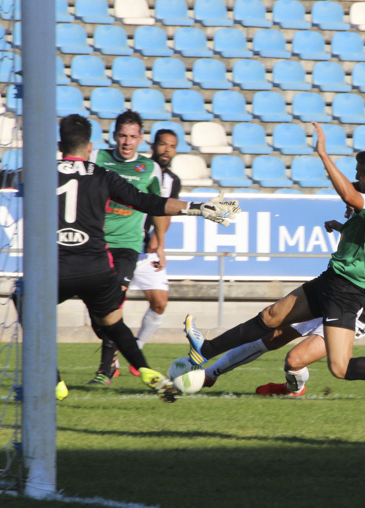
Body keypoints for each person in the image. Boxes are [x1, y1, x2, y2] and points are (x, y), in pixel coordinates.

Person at [182, 122, 365, 402]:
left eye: (360, 176)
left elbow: (351, 196)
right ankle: (205, 349)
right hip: (331, 280)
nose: (356, 180)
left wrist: (323, 154)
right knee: (271, 317)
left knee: (341, 367)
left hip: (349, 293)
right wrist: (343, 224)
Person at [55, 114, 240, 402]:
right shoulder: (101, 172)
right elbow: (148, 202)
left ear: (59, 144)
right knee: (113, 321)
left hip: (59, 265)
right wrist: (198, 208)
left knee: (28, 306)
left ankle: (55, 382)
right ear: (92, 147)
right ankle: (143, 368)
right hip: (96, 264)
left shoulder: (41, 171)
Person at [204, 227, 365, 396]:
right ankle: (209, 374)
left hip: (354, 310)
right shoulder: (354, 223)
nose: (347, 211)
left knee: (294, 360)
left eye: (350, 207)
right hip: (330, 296)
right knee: (272, 336)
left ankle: (293, 389)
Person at [87, 111, 166, 385]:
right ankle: (115, 351)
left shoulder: (150, 169)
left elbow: (159, 207)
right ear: (114, 135)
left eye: (133, 136)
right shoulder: (97, 159)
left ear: (141, 138)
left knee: (113, 302)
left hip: (127, 247)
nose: (127, 142)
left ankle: (105, 369)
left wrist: (161, 244)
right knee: (100, 318)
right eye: (122, 135)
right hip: (94, 243)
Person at [126, 129, 182, 376]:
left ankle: (135, 348)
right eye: (163, 144)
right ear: (153, 145)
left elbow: (166, 212)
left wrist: (159, 242)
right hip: (124, 245)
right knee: (111, 305)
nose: (167, 150)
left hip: (149, 252)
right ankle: (107, 366)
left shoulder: (173, 181)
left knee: (160, 303)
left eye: (172, 146)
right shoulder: (140, 170)